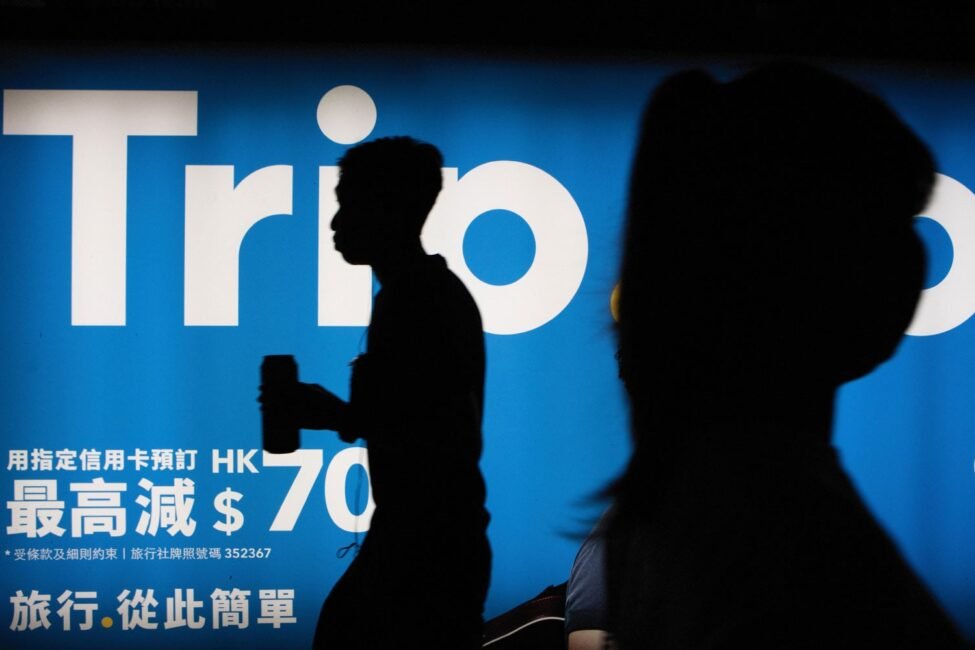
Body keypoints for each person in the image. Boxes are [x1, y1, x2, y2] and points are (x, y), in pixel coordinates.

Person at [606, 64, 968, 648]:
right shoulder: (788, 536)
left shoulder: (711, 494)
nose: (915, 262)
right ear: (800, 251)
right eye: (890, 223)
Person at [261, 136, 491, 649]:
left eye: (348, 205)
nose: (335, 223)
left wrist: (335, 414)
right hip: (430, 541)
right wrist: (341, 414)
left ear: (386, 208)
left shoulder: (414, 300)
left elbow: (418, 425)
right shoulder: (427, 293)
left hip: (423, 547)